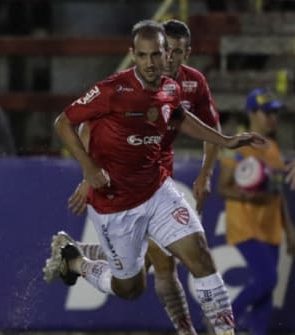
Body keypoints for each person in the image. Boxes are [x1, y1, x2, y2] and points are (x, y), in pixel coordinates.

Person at [45, 20, 267, 335]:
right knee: (130, 288)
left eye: (157, 55)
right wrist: (89, 169)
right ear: (133, 55)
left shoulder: (171, 87)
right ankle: (76, 262)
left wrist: (225, 140)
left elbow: (177, 115)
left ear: (168, 55)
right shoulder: (113, 90)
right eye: (143, 55)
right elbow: (63, 122)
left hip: (156, 189)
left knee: (199, 255)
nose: (150, 63)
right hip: (115, 203)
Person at [217, 88, 295, 335]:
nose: (273, 118)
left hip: (270, 227)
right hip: (246, 225)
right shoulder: (237, 143)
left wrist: (289, 229)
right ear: (251, 113)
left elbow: (278, 193)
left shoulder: (272, 148)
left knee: (267, 294)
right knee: (268, 279)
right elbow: (223, 187)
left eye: (275, 113)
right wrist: (249, 196)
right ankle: (224, 320)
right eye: (267, 112)